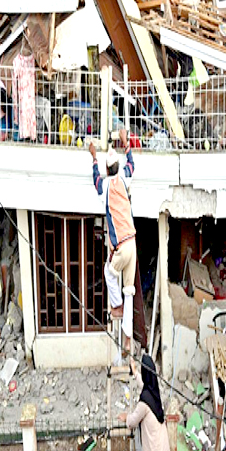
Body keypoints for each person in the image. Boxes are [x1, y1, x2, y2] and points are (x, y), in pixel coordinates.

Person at [91, 139, 137, 362]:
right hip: (133, 242)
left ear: (108, 169)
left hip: (121, 246)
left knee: (109, 273)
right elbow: (132, 165)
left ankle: (116, 305)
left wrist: (93, 157)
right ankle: (127, 337)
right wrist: (127, 143)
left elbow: (96, 180)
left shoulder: (107, 185)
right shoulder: (125, 178)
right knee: (130, 290)